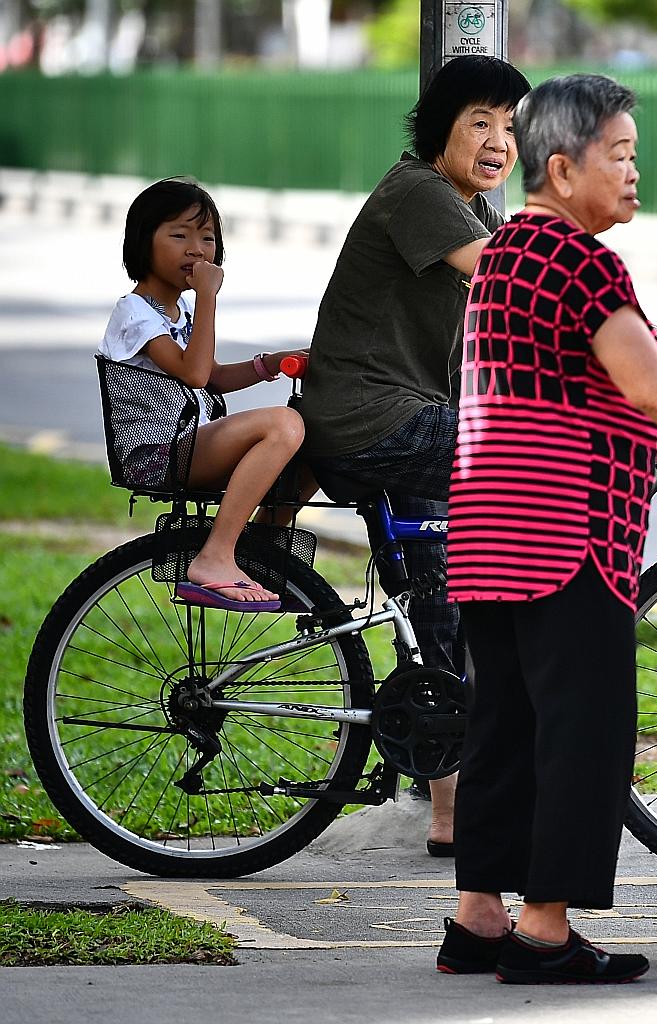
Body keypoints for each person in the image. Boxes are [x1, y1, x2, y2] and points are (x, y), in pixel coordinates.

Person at [435, 73, 657, 985]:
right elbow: (654, 382)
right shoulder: (583, 260)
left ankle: (477, 917)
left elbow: (562, 383)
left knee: (504, 724)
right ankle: (544, 931)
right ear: (562, 166)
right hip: (565, 532)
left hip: (488, 528)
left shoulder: (508, 249)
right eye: (619, 157)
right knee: (584, 728)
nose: (634, 173)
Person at [298, 55, 533, 855]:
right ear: (439, 126)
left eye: (509, 125)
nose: (499, 141)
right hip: (375, 421)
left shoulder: (471, 209)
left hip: (410, 418)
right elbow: (516, 284)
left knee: (445, 600)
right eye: (481, 122)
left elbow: (520, 321)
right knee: (531, 467)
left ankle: (449, 813)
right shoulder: (419, 194)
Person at [100, 177, 309, 612]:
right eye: (179, 235)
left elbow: (210, 375)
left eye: (208, 238)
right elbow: (194, 375)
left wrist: (268, 365)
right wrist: (209, 297)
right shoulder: (134, 311)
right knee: (284, 424)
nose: (196, 248)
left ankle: (258, 550)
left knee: (320, 437)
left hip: (185, 446)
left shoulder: (182, 308)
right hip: (155, 452)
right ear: (144, 242)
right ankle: (216, 555)